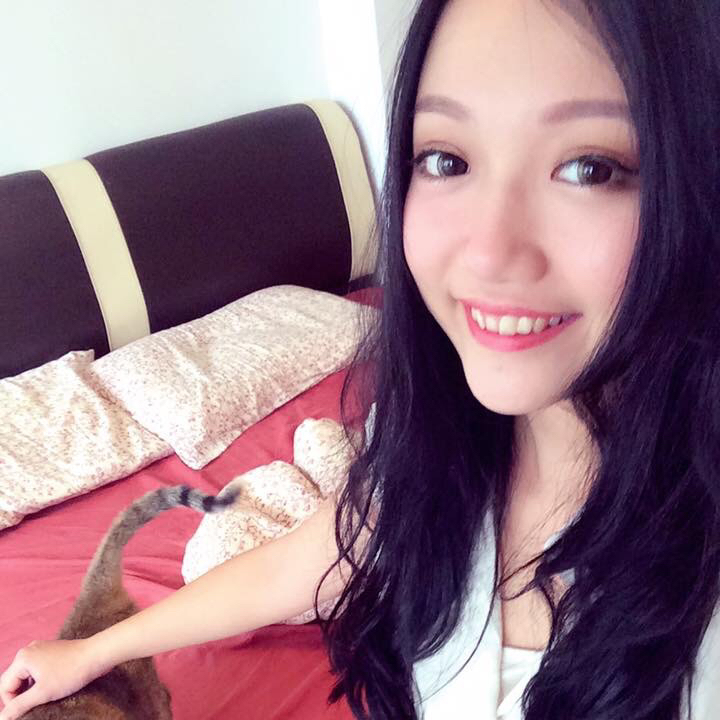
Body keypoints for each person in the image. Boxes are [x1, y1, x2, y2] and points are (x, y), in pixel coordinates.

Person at [2, 0, 720, 718]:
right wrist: (96, 650)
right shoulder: (441, 452)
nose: (488, 254)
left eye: (591, 168)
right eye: (447, 160)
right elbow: (303, 562)